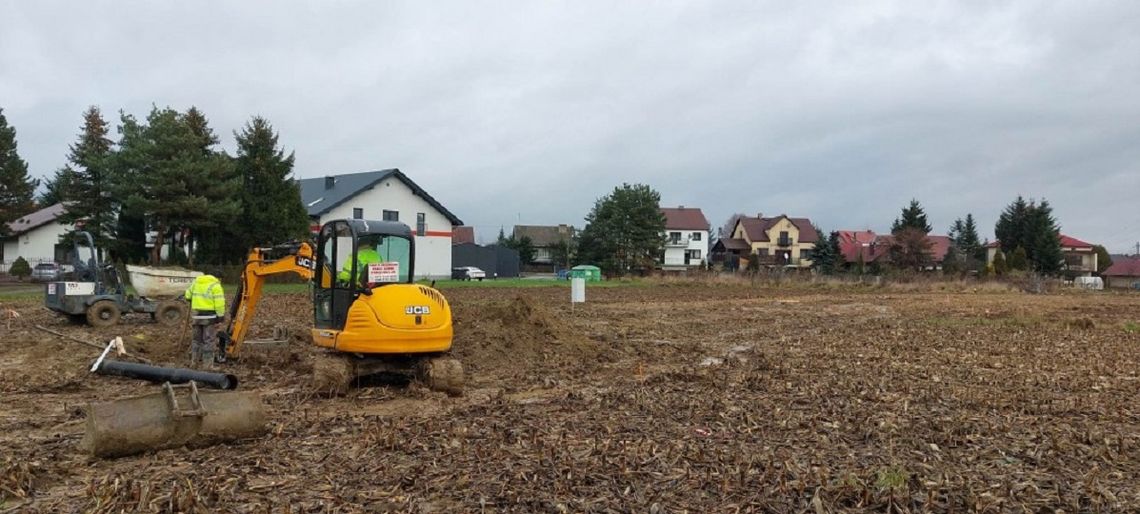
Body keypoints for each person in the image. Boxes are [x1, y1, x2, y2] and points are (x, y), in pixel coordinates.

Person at [183, 274, 225, 368]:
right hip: (209, 317)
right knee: (209, 340)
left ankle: (194, 363)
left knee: (196, 340)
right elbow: (219, 303)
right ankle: (208, 365)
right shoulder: (215, 285)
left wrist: (190, 298)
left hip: (196, 316)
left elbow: (188, 295)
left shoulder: (196, 282)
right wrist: (220, 316)